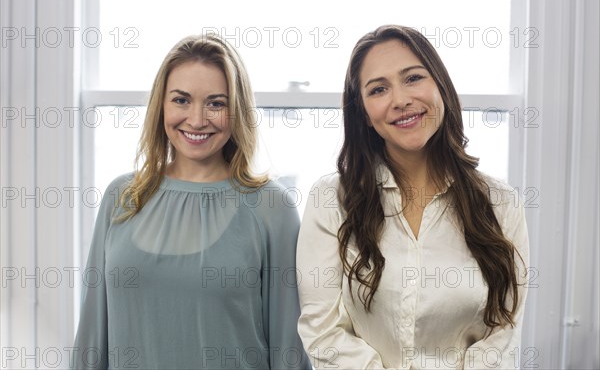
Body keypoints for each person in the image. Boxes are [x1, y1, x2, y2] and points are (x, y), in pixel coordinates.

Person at [72, 34, 311, 369]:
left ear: (237, 110)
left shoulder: (271, 207)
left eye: (216, 103)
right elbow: (90, 343)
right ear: (161, 105)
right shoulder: (121, 197)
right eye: (181, 100)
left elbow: (289, 353)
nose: (197, 120)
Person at [297, 25, 529, 369]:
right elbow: (323, 332)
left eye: (413, 78)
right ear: (363, 112)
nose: (401, 100)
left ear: (440, 86)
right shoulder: (330, 199)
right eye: (378, 89)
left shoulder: (502, 203)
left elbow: (502, 338)